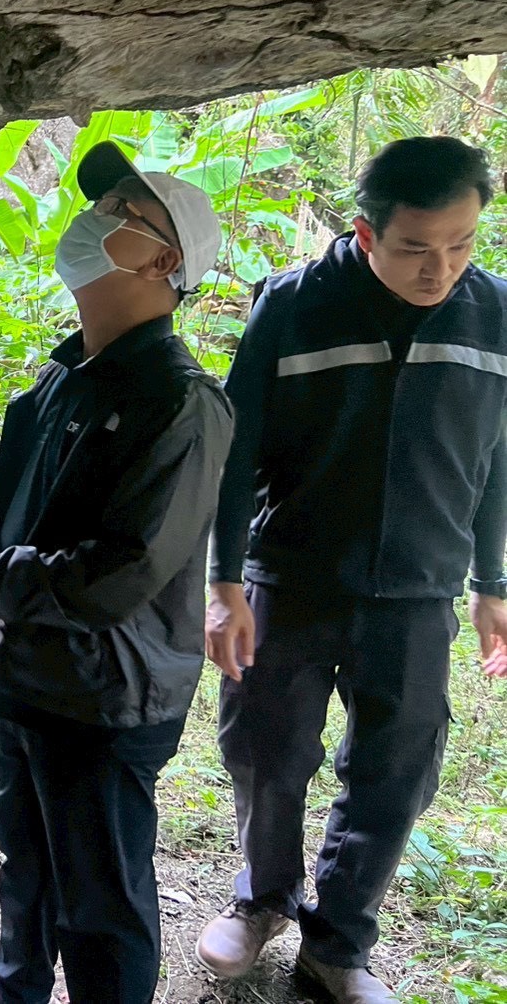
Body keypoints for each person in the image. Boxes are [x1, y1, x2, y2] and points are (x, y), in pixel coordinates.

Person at [0, 141, 233, 1004]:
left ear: (163, 260)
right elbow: (7, 507)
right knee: (28, 870)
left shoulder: (178, 401)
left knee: (100, 904)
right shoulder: (54, 382)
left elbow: (121, 572)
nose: (90, 222)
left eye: (118, 212)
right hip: (31, 671)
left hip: (107, 696)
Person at [195, 137, 507, 1004]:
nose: (438, 268)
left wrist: (492, 583)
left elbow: (494, 458)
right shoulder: (294, 305)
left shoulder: (494, 313)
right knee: (265, 748)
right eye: (414, 247)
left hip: (418, 585)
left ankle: (337, 943)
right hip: (292, 577)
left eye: (461, 243)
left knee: (397, 767)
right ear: (367, 236)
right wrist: (224, 584)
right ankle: (259, 903)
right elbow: (236, 448)